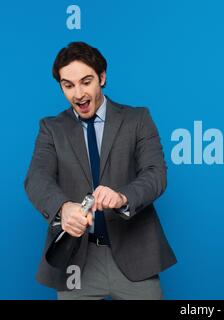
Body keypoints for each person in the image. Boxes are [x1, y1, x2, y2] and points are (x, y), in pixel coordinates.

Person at [24, 42, 176, 300]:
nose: (78, 94)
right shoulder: (51, 128)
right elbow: (37, 178)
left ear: (102, 78)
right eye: (68, 85)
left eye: (86, 81)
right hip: (76, 259)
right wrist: (63, 208)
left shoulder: (137, 119)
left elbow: (155, 173)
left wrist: (122, 197)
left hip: (134, 254)